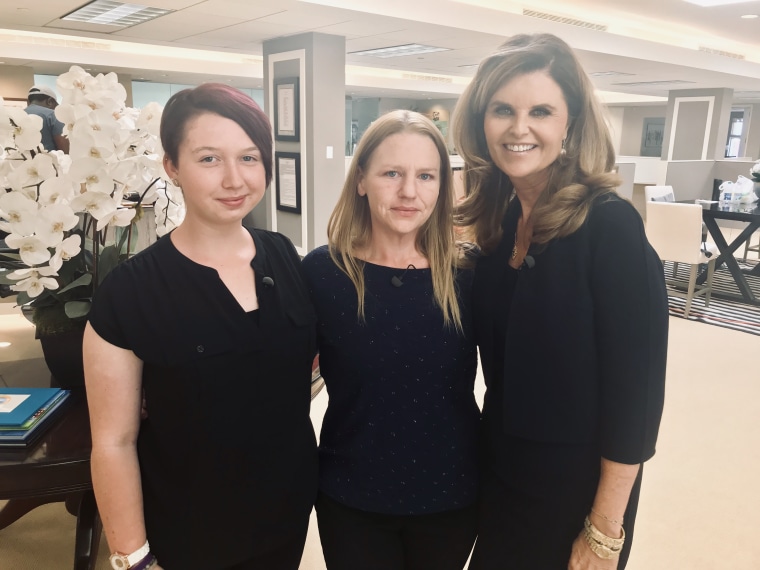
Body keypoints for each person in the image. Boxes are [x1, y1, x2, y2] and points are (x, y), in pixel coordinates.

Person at [451, 33, 668, 570]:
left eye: (540, 111)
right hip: (501, 473)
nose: (518, 128)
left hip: (576, 493)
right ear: (482, 121)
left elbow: (635, 398)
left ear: (570, 125)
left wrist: (604, 531)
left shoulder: (610, 228)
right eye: (502, 109)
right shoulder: (501, 224)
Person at [83, 83, 318, 570]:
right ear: (172, 167)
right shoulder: (131, 291)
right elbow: (113, 441)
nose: (235, 179)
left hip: (286, 515)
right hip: (188, 530)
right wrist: (133, 556)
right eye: (209, 159)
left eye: (249, 158)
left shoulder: (286, 257)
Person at [301, 110, 480, 570]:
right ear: (361, 180)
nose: (409, 192)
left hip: (450, 492)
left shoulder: (469, 274)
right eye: (391, 174)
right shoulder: (324, 273)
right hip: (352, 495)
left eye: (425, 175)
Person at [25, 85, 69, 153]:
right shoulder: (53, 115)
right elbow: (65, 150)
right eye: (56, 106)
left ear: (28, 102)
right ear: (50, 101)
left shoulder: (16, 116)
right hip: (50, 162)